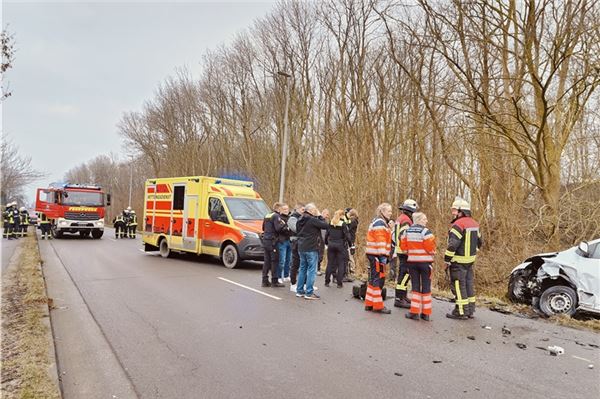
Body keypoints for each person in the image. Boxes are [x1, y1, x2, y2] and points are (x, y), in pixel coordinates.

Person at [445, 197, 482, 320]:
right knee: (468, 284)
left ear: (461, 211)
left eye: (455, 210)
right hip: (470, 261)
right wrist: (472, 253)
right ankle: (470, 310)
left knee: (459, 286)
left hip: (458, 261)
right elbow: (480, 243)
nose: (453, 213)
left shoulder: (458, 224)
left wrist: (447, 259)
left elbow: (452, 245)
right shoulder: (475, 223)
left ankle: (461, 311)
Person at [401, 212, 436, 321]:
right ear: (419, 220)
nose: (426, 221)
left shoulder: (407, 231)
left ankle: (414, 312)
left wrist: (412, 253)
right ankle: (425, 313)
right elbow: (431, 248)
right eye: (425, 219)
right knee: (426, 286)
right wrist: (433, 252)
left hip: (412, 262)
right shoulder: (426, 232)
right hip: (425, 263)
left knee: (415, 287)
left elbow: (403, 247)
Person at [364, 203, 394, 314]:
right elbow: (381, 241)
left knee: (373, 279)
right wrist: (383, 257)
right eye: (388, 211)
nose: (390, 213)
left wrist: (390, 229)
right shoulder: (380, 223)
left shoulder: (379, 222)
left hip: (374, 254)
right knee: (378, 279)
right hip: (378, 255)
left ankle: (369, 303)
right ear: (382, 211)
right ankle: (378, 305)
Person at [296, 203, 330, 300]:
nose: (316, 211)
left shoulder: (300, 219)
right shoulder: (312, 220)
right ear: (311, 210)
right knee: (311, 270)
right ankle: (309, 292)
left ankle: (300, 290)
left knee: (302, 269)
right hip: (311, 247)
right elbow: (325, 225)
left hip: (301, 246)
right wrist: (319, 215)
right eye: (315, 210)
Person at [393, 199, 418, 309]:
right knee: (404, 275)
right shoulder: (406, 221)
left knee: (404, 274)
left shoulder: (401, 218)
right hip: (405, 251)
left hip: (400, 250)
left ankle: (403, 296)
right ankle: (399, 298)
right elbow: (404, 236)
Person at [324, 209, 352, 288]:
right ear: (342, 215)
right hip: (340, 245)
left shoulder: (331, 222)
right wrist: (350, 245)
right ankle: (339, 283)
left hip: (331, 245)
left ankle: (327, 281)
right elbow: (347, 236)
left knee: (330, 263)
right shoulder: (343, 224)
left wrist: (326, 243)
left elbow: (327, 234)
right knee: (341, 264)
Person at [261, 203, 286, 288]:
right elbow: (278, 228)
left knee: (267, 261)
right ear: (278, 209)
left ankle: (264, 280)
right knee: (274, 261)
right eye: (282, 209)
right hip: (273, 242)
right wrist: (283, 225)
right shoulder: (276, 216)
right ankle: (274, 281)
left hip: (266, 240)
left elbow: (263, 228)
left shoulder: (267, 215)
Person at [287, 203, 305, 292]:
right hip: (295, 242)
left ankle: (303, 284)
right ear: (297, 209)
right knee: (295, 263)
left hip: (302, 242)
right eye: (302, 210)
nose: (304, 212)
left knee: (303, 264)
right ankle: (293, 284)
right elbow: (296, 229)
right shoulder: (292, 218)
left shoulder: (303, 218)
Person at [276, 204, 293, 283]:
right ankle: (279, 276)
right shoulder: (279, 218)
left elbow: (292, 229)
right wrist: (287, 228)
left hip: (289, 241)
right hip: (282, 241)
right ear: (281, 210)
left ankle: (286, 275)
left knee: (288, 260)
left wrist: (287, 228)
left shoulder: (290, 218)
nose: (286, 210)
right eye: (284, 209)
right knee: (282, 260)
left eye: (287, 209)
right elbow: (280, 229)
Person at [344, 208, 359, 281]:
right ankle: (350, 271)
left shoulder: (353, 221)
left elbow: (347, 229)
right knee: (349, 256)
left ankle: (352, 271)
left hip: (350, 240)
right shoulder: (353, 220)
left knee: (350, 256)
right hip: (350, 239)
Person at [316, 208, 330, 276]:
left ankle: (318, 268)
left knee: (321, 255)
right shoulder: (318, 220)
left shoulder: (325, 221)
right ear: (323, 213)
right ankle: (317, 269)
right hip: (319, 240)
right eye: (327, 214)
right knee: (318, 255)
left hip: (323, 240)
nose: (327, 216)